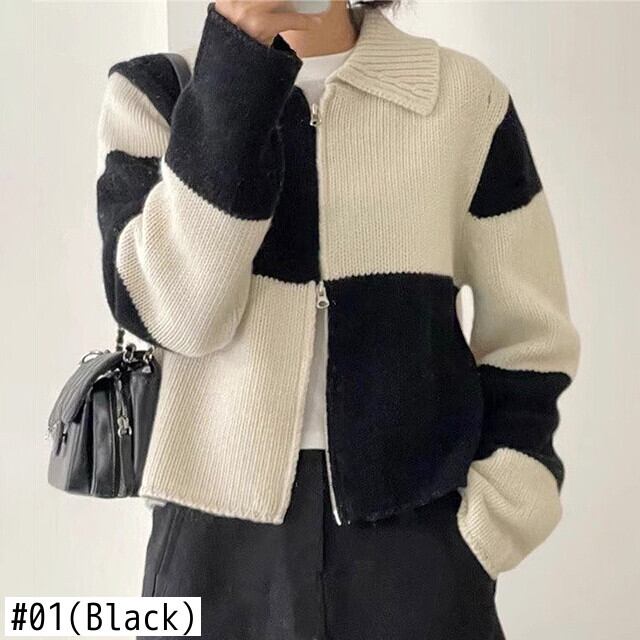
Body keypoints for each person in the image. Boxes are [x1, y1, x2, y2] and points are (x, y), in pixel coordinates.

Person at [95, 0, 580, 638]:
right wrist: (235, 73)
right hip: (211, 543)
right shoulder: (158, 95)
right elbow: (180, 317)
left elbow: (529, 338)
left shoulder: (462, 99)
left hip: (419, 534)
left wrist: (488, 530)